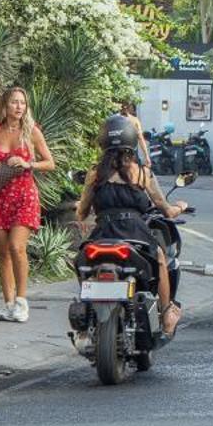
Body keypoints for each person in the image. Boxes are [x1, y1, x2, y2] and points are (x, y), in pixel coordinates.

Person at [76, 114, 185, 336]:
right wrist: (180, 207)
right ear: (132, 141)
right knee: (161, 258)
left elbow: (82, 212)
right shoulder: (142, 173)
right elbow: (165, 209)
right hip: (136, 234)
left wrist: (83, 217)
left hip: (102, 234)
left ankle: (86, 312)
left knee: (82, 263)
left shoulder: (94, 173)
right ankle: (166, 313)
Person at [0, 84, 55, 323]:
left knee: (17, 247)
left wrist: (29, 164)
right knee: (3, 252)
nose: (19, 107)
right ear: (5, 105)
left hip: (24, 196)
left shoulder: (32, 132)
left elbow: (50, 162)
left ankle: (21, 301)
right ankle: (8, 304)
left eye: (22, 102)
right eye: (14, 102)